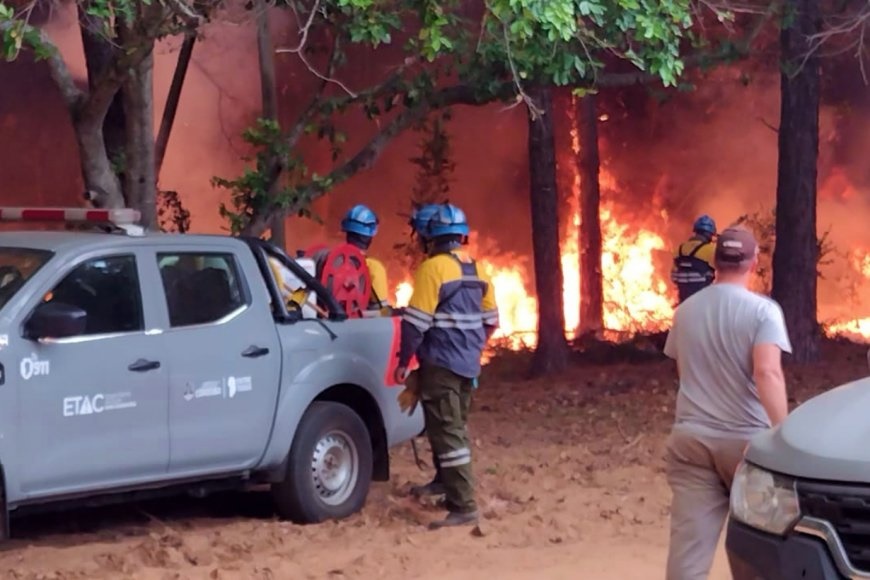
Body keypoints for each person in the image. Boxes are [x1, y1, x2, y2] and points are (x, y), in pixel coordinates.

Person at [663, 225, 792, 580]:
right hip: (747, 446)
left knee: (689, 552)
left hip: (691, 440)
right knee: (764, 544)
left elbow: (684, 371)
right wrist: (783, 432)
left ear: (715, 261)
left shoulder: (685, 311)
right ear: (753, 263)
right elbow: (767, 373)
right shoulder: (763, 312)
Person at [395, 203, 499, 529]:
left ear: (431, 238)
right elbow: (491, 321)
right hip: (469, 365)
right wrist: (472, 347)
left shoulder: (433, 269)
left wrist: (403, 362)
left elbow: (415, 324)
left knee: (448, 433)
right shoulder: (479, 270)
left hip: (440, 364)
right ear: (461, 236)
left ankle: (463, 506)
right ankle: (446, 485)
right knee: (451, 427)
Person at [340, 204, 390, 316]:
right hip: (360, 328)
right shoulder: (373, 268)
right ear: (369, 237)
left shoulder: (332, 261)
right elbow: (381, 313)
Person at [671, 214, 717, 304]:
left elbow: (674, 277)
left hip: (683, 301)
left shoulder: (679, 249)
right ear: (710, 234)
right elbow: (722, 275)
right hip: (702, 301)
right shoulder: (711, 250)